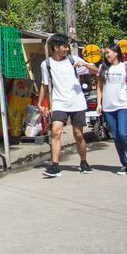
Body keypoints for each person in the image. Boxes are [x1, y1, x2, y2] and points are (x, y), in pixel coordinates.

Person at [38, 33, 98, 178]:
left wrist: (85, 65)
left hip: (77, 102)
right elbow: (44, 85)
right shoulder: (46, 64)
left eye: (67, 46)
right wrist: (40, 103)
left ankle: (84, 162)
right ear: (55, 48)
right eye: (64, 46)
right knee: (56, 131)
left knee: (78, 134)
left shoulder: (74, 60)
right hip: (59, 102)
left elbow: (96, 70)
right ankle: (55, 166)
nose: (66, 49)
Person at [96, 43, 127, 176]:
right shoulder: (102, 68)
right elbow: (99, 87)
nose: (106, 55)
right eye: (105, 53)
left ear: (116, 53)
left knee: (123, 134)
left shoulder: (126, 68)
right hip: (108, 108)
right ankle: (124, 164)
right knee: (116, 136)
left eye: (108, 52)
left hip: (123, 105)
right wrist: (99, 103)